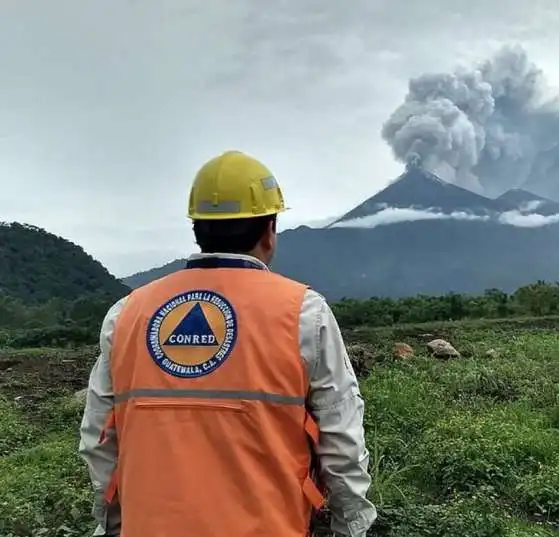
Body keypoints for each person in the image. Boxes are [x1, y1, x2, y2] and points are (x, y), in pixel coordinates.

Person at [78, 150, 377, 537]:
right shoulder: (302, 312)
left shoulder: (128, 313)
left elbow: (98, 437)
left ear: (197, 230)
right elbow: (342, 435)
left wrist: (117, 523)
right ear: (270, 230)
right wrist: (350, 524)